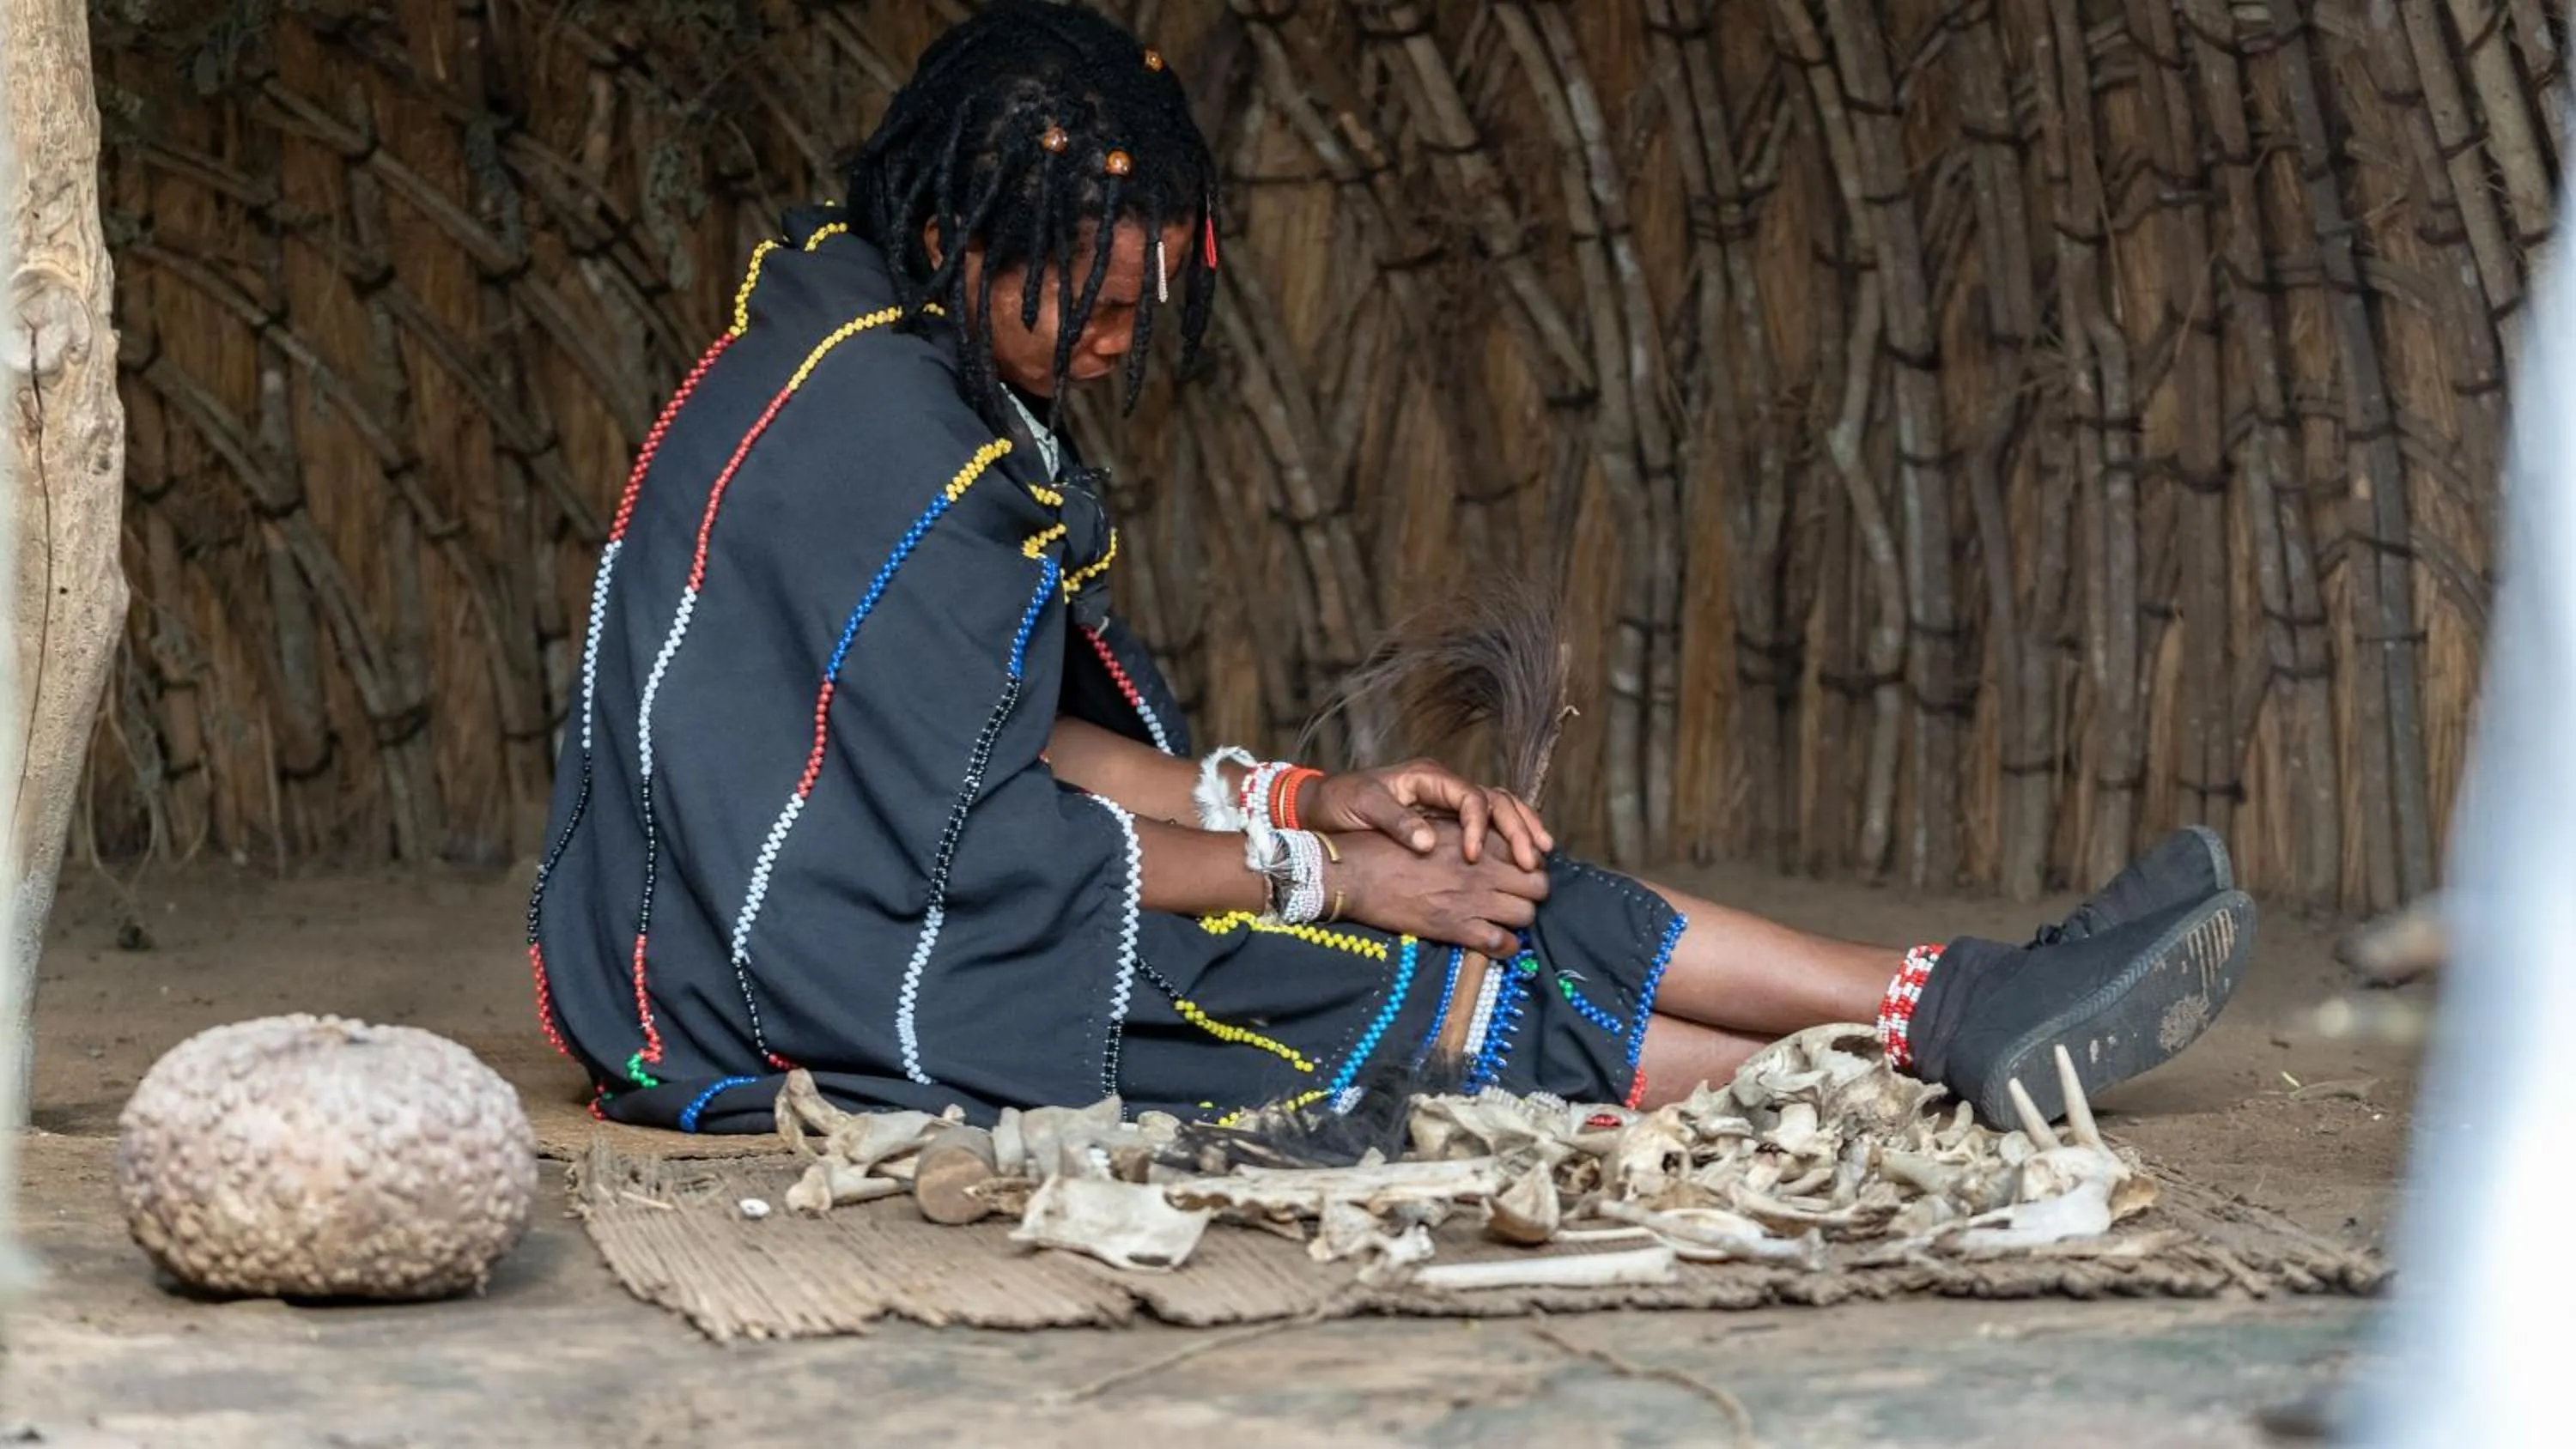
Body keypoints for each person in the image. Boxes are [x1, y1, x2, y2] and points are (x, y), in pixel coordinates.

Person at [524, 0, 2254, 1137]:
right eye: (1094, 302)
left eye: (1147, 304)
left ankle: (1951, 1002)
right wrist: (1318, 881)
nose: (1123, 342)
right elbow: (962, 835)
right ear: (964, 239)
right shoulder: (897, 446)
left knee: (1467, 885)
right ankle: (1917, 1088)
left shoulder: (871, 340)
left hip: (896, 892)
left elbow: (993, 754)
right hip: (787, 970)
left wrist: (1313, 802)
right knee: (1422, 981)